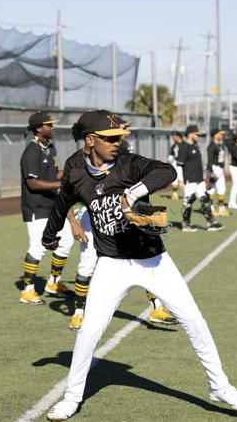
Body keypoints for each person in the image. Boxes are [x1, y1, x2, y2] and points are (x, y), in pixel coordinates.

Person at [41, 109, 237, 420]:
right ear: (90, 140)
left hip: (153, 260)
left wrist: (134, 192)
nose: (118, 142)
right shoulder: (77, 173)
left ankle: (219, 386)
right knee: (88, 332)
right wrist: (49, 238)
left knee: (194, 320)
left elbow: (167, 171)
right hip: (111, 265)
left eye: (120, 137)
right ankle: (72, 398)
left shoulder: (128, 163)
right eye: (111, 138)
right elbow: (62, 205)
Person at [66, 115, 177, 331]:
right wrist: (73, 223)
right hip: (94, 216)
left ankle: (156, 306)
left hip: (126, 209)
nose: (120, 135)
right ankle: (79, 312)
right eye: (116, 130)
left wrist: (141, 207)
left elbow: (136, 178)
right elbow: (65, 196)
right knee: (88, 263)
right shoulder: (75, 162)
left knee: (142, 256)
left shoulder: (123, 149)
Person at [19, 111, 79, 305]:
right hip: (36, 207)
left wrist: (73, 173)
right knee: (38, 246)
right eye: (49, 125)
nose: (52, 128)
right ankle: (27, 291)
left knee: (67, 240)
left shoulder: (49, 148)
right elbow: (33, 183)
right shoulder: (31, 151)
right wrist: (59, 186)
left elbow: (54, 174)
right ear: (38, 128)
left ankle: (53, 283)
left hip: (52, 205)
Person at [176, 124, 223, 232]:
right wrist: (180, 181)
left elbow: (197, 163)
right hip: (189, 180)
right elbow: (179, 165)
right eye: (197, 134)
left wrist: (203, 176)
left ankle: (211, 223)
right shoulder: (183, 147)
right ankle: (185, 225)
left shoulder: (195, 145)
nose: (198, 136)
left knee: (206, 200)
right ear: (190, 134)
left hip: (199, 180)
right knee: (187, 202)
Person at [206, 129, 231, 217]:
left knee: (221, 189)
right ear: (214, 135)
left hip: (219, 169)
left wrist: (223, 168)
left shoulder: (221, 145)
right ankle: (211, 209)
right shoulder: (211, 146)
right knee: (211, 189)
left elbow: (222, 158)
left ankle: (221, 209)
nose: (221, 135)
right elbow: (209, 160)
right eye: (219, 134)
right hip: (213, 168)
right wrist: (212, 171)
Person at [167, 131, 184, 200]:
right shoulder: (174, 145)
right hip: (176, 163)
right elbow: (171, 154)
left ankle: (187, 195)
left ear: (178, 136)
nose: (173, 138)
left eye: (174, 137)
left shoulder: (184, 145)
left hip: (183, 164)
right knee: (175, 179)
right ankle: (175, 193)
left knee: (183, 180)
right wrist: (170, 158)